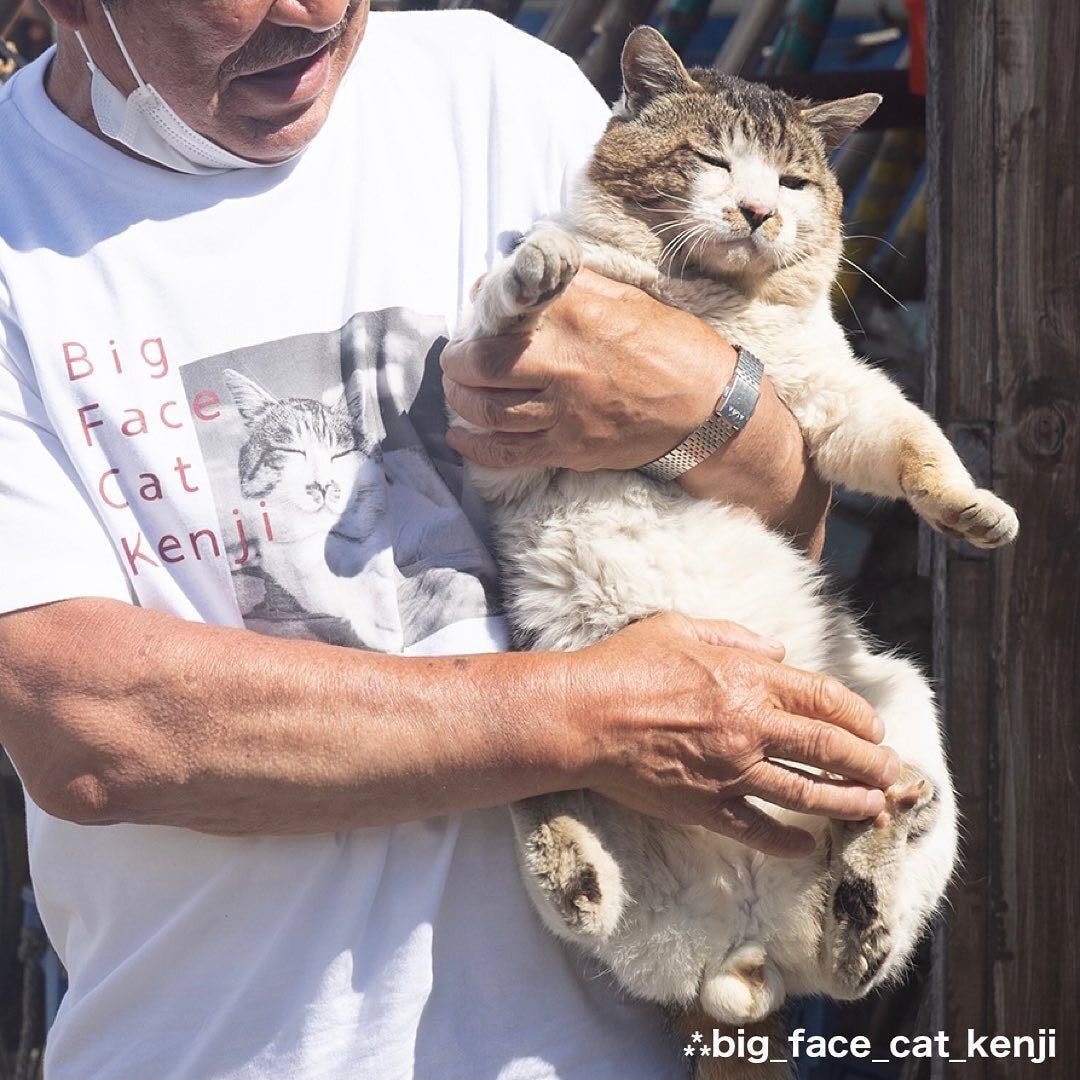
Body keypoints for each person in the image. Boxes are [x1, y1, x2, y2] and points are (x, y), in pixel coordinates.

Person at [0, 2, 899, 1078]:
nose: (309, 12)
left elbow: (781, 530)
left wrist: (726, 412)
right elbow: (93, 726)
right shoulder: (21, 222)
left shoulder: (504, 96)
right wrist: (591, 719)